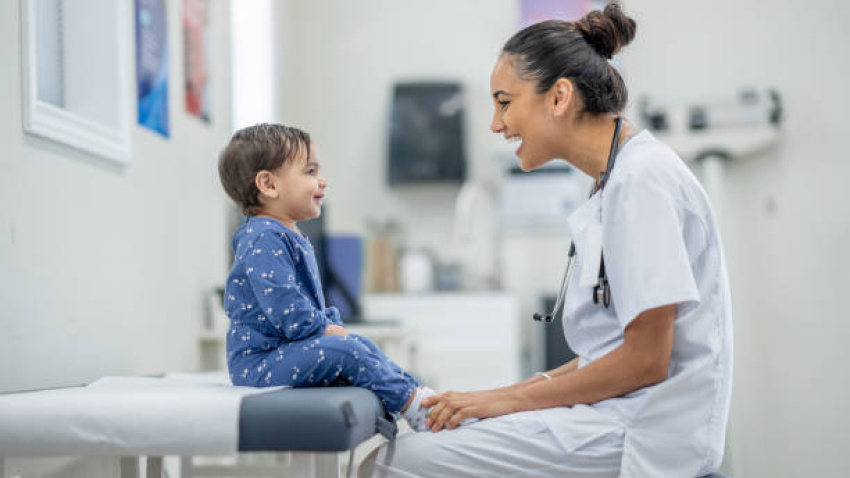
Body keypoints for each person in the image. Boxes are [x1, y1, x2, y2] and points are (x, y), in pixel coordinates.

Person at [360, 3, 732, 477]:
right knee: (431, 441)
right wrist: (495, 399)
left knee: (395, 463)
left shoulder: (642, 181)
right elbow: (606, 355)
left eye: (504, 102)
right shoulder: (615, 180)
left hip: (646, 431)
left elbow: (645, 361)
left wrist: (507, 400)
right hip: (620, 417)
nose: (497, 124)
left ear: (559, 97)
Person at [217, 123, 448, 432]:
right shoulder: (262, 237)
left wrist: (327, 325)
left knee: (360, 344)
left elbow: (303, 303)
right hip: (260, 364)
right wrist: (322, 328)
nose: (321, 181)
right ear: (269, 185)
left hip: (282, 353)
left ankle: (420, 396)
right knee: (349, 351)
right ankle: (418, 409)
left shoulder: (285, 233)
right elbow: (285, 306)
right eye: (310, 172)